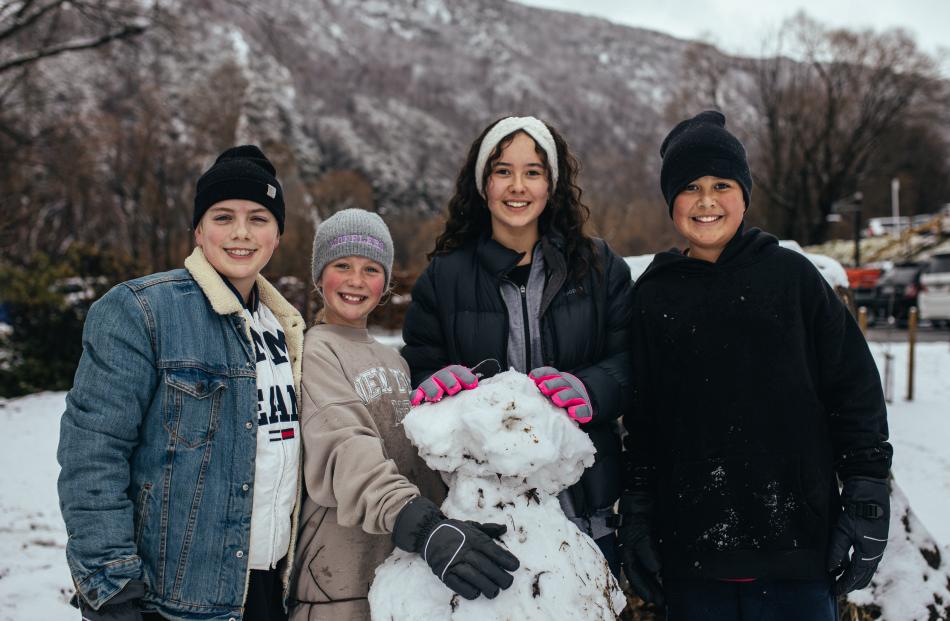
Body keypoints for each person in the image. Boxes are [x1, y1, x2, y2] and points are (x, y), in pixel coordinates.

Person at [618, 111, 893, 620]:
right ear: (670, 200)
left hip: (797, 555)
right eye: (690, 187)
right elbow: (644, 420)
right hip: (693, 559)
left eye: (721, 184)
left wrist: (867, 492)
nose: (706, 201)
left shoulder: (793, 280)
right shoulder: (653, 297)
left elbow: (853, 391)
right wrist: (637, 511)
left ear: (744, 193)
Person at [57, 145, 304, 621]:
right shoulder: (142, 311)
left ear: (277, 235)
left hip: (270, 591)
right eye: (222, 216)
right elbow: (92, 457)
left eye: (258, 218)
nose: (240, 233)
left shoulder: (284, 327)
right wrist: (111, 589)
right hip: (172, 603)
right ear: (198, 229)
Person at [401, 116, 634, 576]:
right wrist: (431, 384)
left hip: (587, 511)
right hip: (486, 521)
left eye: (533, 171)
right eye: (502, 170)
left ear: (553, 184)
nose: (517, 186)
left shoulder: (599, 267)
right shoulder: (444, 278)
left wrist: (592, 389)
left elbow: (633, 362)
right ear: (482, 183)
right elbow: (415, 372)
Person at [290, 208, 519, 620]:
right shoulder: (314, 351)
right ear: (318, 275)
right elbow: (345, 450)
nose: (357, 281)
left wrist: (452, 521)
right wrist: (423, 526)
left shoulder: (393, 361)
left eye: (371, 269)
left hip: (403, 570)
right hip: (337, 584)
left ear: (386, 283)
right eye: (342, 266)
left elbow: (415, 458)